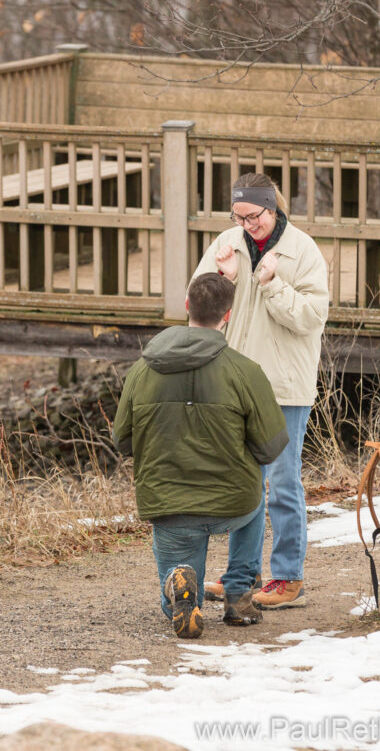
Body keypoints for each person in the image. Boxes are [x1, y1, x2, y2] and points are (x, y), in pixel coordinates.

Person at [112, 272, 288, 639]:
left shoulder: (141, 370)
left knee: (175, 595)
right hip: (234, 504)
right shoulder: (246, 371)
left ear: (187, 306)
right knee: (257, 480)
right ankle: (239, 596)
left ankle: (181, 593)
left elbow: (123, 441)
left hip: (169, 504)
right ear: (228, 315)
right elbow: (270, 446)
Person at [192, 172, 329, 610]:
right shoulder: (226, 243)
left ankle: (288, 577)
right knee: (240, 481)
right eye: (239, 216)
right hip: (233, 382)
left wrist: (271, 283)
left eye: (253, 216)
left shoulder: (302, 250)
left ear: (273, 207)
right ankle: (241, 576)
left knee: (283, 483)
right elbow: (198, 306)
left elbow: (310, 318)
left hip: (285, 386)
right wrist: (225, 277)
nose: (246, 225)